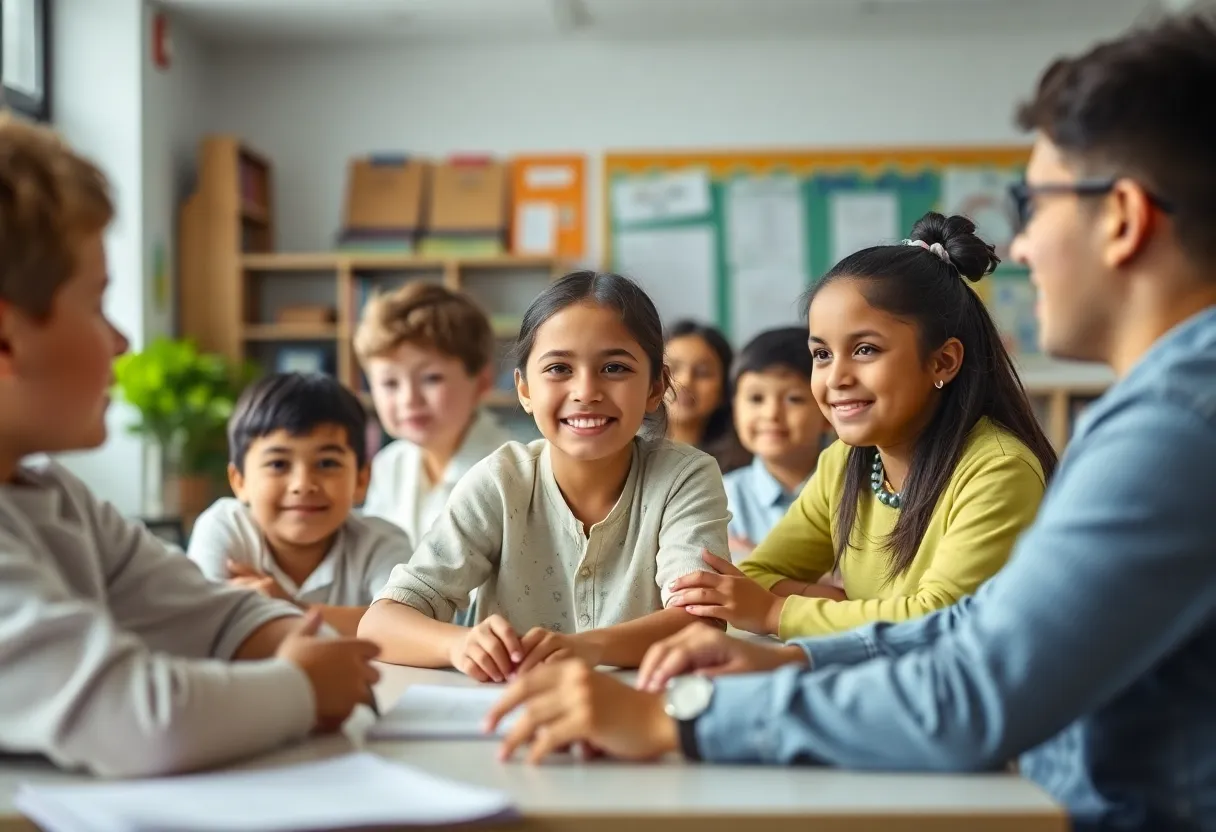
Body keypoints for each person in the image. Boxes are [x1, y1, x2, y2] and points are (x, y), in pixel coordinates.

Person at [484, 11, 1216, 831]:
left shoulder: (1176, 427)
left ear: (1121, 217)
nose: (1023, 243)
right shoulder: (1167, 409)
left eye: (1033, 203)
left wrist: (682, 717)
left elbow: (974, 688)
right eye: (820, 353)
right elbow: (977, 627)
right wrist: (795, 654)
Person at [0, 116, 378, 777]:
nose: (121, 343)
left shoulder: (50, 493)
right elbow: (135, 719)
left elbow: (206, 611)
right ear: (6, 342)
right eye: (97, 306)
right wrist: (303, 686)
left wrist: (298, 641)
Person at [672, 213, 1054, 639]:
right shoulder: (845, 461)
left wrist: (778, 613)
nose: (836, 378)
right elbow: (758, 573)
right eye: (822, 355)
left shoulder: (998, 469)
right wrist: (846, 608)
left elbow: (942, 620)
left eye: (866, 349)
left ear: (943, 361)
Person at [358, 272, 730, 682]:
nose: (586, 390)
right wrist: (458, 644)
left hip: (639, 715)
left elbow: (702, 620)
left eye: (614, 367)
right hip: (509, 717)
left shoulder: (685, 476)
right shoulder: (500, 482)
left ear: (655, 387)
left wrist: (587, 647)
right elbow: (380, 624)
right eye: (558, 368)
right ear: (524, 390)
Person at [188, 373, 411, 636]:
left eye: (327, 463)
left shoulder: (382, 542)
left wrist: (286, 607)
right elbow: (203, 625)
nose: (303, 484)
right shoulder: (225, 527)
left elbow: (406, 628)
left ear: (362, 479)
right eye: (278, 464)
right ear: (240, 482)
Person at [356, 282, 511, 546]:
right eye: (390, 383)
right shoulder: (389, 464)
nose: (409, 399)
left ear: (482, 381)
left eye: (431, 378)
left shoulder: (509, 471)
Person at [721, 327, 828, 561]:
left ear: (830, 410)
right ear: (734, 409)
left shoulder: (855, 492)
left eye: (794, 399)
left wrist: (755, 561)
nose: (771, 414)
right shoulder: (719, 497)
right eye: (756, 398)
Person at [664, 321, 748, 473]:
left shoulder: (741, 471)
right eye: (672, 368)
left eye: (703, 372)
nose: (685, 381)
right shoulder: (624, 454)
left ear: (725, 388)